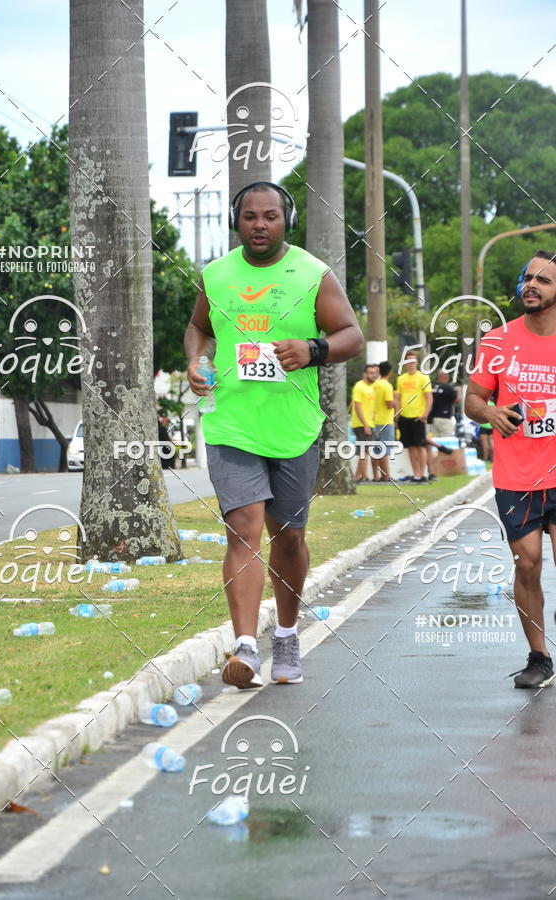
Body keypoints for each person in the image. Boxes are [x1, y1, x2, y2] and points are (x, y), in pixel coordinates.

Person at [184, 181, 363, 689]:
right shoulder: (216, 276)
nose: (259, 225)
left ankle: (286, 633)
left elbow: (350, 334)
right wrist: (196, 360)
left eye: (270, 216)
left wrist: (313, 349)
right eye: (249, 217)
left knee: (289, 536)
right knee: (243, 527)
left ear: (286, 221)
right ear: (235, 222)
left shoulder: (311, 274)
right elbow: (199, 328)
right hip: (232, 421)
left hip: (293, 427)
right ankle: (244, 646)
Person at [465, 250, 556, 689]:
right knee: (528, 566)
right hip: (517, 476)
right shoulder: (499, 340)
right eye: (528, 277)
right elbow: (473, 401)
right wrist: (492, 413)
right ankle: (539, 657)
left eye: (544, 280)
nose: (532, 286)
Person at [395, 352, 432, 483]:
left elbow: (429, 397)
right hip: (405, 417)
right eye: (408, 361)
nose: (410, 363)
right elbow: (397, 398)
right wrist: (397, 414)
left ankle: (423, 474)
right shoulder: (401, 379)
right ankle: (416, 474)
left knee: (421, 446)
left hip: (418, 417)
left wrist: (425, 414)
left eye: (413, 361)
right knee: (410, 446)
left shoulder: (423, 378)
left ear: (416, 363)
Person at [350, 363, 378, 482]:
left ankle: (364, 475)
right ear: (364, 374)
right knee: (364, 452)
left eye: (375, 373)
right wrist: (365, 424)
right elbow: (357, 406)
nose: (373, 375)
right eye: (371, 373)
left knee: (365, 451)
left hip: (369, 423)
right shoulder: (359, 386)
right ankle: (356, 476)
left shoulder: (371, 387)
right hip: (362, 424)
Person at [371, 360, 395, 482]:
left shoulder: (374, 384)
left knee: (375, 450)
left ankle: (376, 475)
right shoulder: (387, 386)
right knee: (385, 449)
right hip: (386, 420)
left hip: (374, 420)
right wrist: (397, 401)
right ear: (390, 372)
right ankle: (386, 475)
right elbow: (389, 404)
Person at [428, 370, 460, 437]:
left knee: (435, 441)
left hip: (432, 418)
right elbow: (457, 401)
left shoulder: (431, 387)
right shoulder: (449, 388)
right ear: (446, 377)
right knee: (446, 441)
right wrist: (458, 392)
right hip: (445, 418)